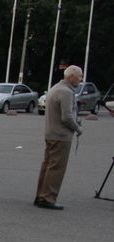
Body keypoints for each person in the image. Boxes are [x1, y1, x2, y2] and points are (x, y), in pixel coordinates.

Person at [34, 65, 83, 210]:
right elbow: (66, 117)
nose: (80, 80)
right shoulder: (66, 92)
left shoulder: (55, 88)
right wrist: (78, 128)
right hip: (61, 135)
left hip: (51, 133)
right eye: (79, 76)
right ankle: (48, 198)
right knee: (56, 168)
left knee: (48, 165)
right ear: (71, 77)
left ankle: (40, 195)